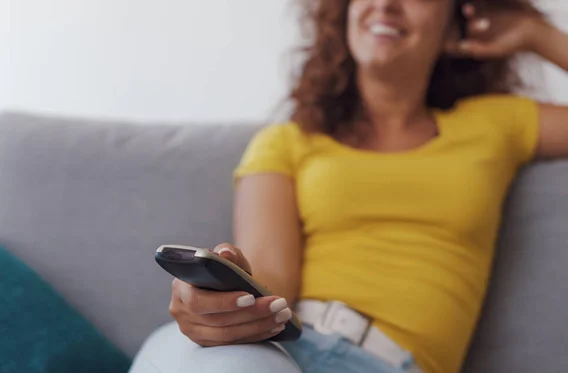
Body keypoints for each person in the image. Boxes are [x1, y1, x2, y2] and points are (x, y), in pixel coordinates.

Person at [130, 0, 568, 372]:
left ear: (455, 23)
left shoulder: (496, 125)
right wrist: (222, 306)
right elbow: (271, 281)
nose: (385, 4)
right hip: (283, 349)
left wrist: (538, 34)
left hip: (386, 364)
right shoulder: (287, 141)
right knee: (177, 349)